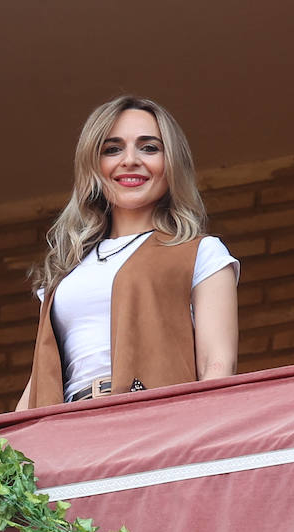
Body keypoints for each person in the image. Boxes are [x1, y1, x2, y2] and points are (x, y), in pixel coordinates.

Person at [16, 96, 239, 410]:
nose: (130, 160)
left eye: (149, 147)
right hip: (68, 426)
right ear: (94, 165)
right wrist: (6, 445)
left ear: (172, 161)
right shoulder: (69, 268)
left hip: (153, 422)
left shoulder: (199, 252)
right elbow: (40, 379)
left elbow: (217, 366)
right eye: (112, 149)